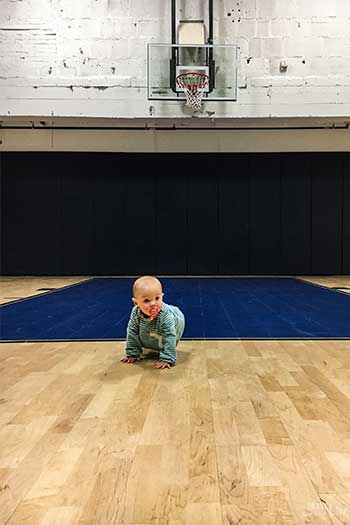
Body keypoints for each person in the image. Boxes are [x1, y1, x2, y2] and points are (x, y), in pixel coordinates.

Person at [121, 275, 185, 369]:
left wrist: (167, 358)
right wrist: (133, 353)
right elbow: (132, 332)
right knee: (140, 333)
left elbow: (169, 335)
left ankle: (168, 352)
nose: (153, 303)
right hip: (149, 326)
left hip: (177, 319)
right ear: (136, 303)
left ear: (162, 297)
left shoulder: (166, 315)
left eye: (157, 298)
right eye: (146, 300)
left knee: (169, 336)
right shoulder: (135, 313)